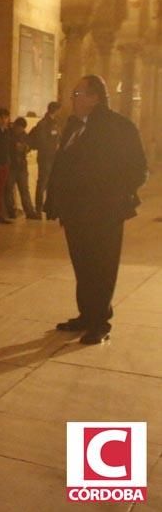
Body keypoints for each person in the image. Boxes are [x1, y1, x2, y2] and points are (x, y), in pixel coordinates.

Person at [46, 75, 147, 345]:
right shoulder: (74, 126)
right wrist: (55, 199)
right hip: (75, 212)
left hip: (104, 213)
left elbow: (138, 169)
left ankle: (100, 321)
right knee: (83, 265)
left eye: (77, 94)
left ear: (94, 98)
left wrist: (111, 196)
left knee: (102, 267)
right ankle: (87, 314)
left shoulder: (119, 127)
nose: (73, 100)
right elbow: (63, 165)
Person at [29, 101, 61, 215]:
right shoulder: (43, 123)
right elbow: (42, 141)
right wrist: (52, 148)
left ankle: (49, 207)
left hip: (52, 157)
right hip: (45, 157)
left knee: (51, 182)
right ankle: (39, 208)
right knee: (42, 182)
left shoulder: (54, 123)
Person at [9, 117, 40, 219]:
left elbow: (29, 146)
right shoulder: (10, 135)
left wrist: (25, 147)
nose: (20, 130)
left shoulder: (25, 136)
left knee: (24, 189)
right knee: (8, 189)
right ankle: (10, 210)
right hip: (11, 166)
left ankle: (29, 212)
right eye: (18, 128)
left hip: (21, 166)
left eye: (22, 128)